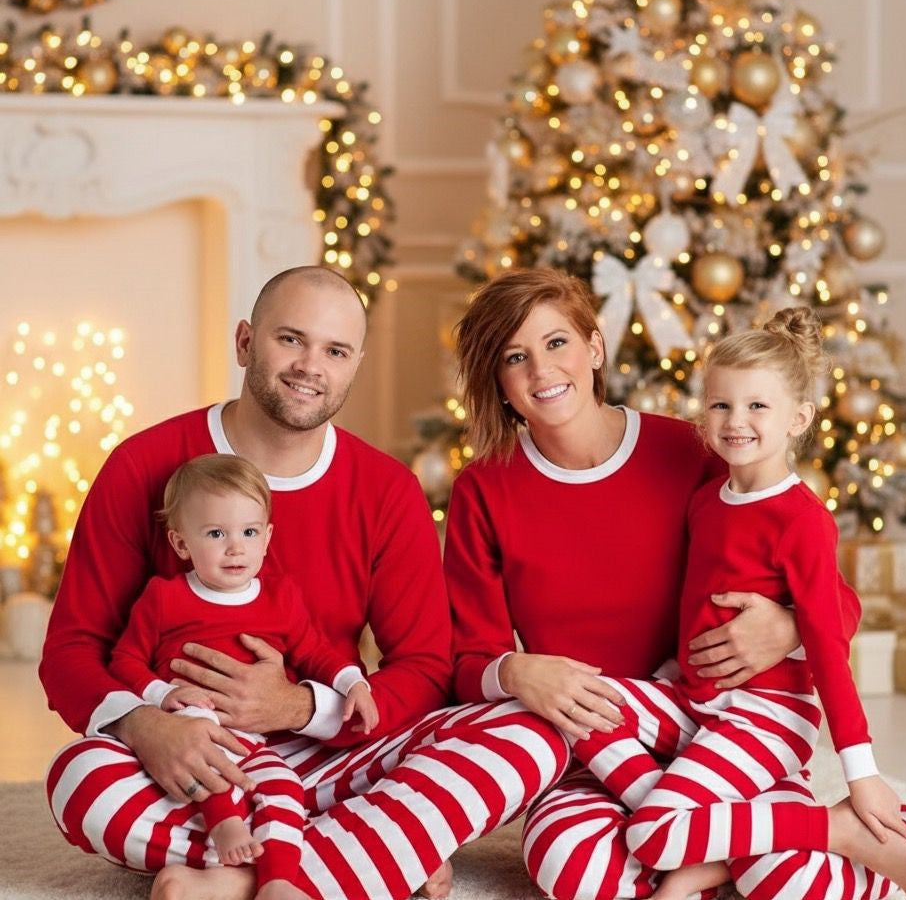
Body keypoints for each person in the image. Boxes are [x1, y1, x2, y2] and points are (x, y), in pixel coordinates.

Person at [42, 266, 569, 900]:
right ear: (245, 342)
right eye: (290, 339)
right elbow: (71, 651)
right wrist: (145, 726)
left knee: (530, 737)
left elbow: (426, 667)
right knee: (81, 780)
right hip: (206, 763)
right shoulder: (142, 465)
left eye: (335, 350)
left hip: (333, 754)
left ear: (353, 366)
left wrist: (299, 707)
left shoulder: (385, 490)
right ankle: (373, 854)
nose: (309, 365)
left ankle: (239, 881)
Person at [444, 267, 906, 900]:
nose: (542, 371)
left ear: (595, 348)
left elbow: (833, 603)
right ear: (498, 379)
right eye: (515, 357)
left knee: (784, 882)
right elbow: (468, 660)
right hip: (590, 741)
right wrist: (516, 672)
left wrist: (784, 626)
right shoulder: (484, 489)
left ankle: (804, 834)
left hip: (712, 722)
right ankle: (764, 834)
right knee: (571, 868)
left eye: (556, 343)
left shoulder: (693, 448)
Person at [566, 308, 906, 900]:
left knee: (653, 837)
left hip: (769, 715)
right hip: (699, 699)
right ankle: (735, 828)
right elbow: (698, 604)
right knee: (580, 708)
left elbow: (828, 648)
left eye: (757, 406)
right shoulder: (706, 502)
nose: (735, 421)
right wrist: (673, 673)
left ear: (798, 418)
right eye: (721, 405)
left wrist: (862, 773)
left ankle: (895, 832)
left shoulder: (802, 521)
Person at [109, 453, 377, 890]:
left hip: (257, 740)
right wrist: (160, 694)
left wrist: (353, 683)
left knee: (284, 789)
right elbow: (124, 660)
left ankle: (277, 882)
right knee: (199, 728)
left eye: (249, 532)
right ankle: (223, 825)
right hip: (191, 727)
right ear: (181, 544)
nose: (236, 547)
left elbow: (315, 652)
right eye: (216, 534)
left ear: (267, 537)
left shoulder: (280, 597)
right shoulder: (164, 598)